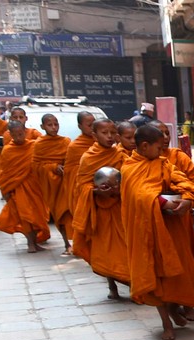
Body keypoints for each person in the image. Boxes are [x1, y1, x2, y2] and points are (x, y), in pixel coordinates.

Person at [121, 123, 194, 340]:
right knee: (158, 276)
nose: (162, 150)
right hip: (148, 231)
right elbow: (139, 195)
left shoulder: (163, 163)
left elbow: (183, 181)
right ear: (145, 146)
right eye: (158, 147)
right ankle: (166, 322)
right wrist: (162, 204)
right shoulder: (129, 168)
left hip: (172, 228)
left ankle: (175, 309)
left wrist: (188, 199)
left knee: (180, 270)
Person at [73, 118, 129, 299]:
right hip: (101, 211)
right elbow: (82, 186)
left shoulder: (120, 155)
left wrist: (119, 189)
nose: (110, 136)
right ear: (94, 135)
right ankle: (112, 286)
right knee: (105, 249)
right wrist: (96, 191)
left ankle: (130, 282)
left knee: (124, 247)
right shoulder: (88, 158)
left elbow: (129, 177)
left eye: (113, 133)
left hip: (119, 207)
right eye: (104, 133)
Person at [0, 120, 51, 253]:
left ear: (25, 132)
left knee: (38, 214)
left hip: (35, 186)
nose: (19, 137)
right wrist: (6, 189)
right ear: (10, 134)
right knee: (26, 216)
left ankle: (35, 242)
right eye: (15, 135)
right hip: (18, 188)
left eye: (21, 134)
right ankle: (30, 243)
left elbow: (41, 161)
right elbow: (4, 171)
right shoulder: (8, 150)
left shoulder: (33, 145)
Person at [58, 111, 96, 253]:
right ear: (80, 126)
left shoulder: (101, 142)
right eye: (89, 125)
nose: (92, 128)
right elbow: (72, 173)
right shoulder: (75, 147)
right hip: (83, 190)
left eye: (94, 124)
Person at [32, 115, 71, 252]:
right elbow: (36, 166)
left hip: (67, 183)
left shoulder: (66, 141)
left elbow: (72, 159)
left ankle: (76, 243)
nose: (54, 127)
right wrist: (53, 167)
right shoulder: (39, 144)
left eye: (56, 124)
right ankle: (67, 243)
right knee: (59, 214)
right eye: (50, 125)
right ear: (42, 127)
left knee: (70, 213)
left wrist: (66, 167)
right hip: (52, 185)